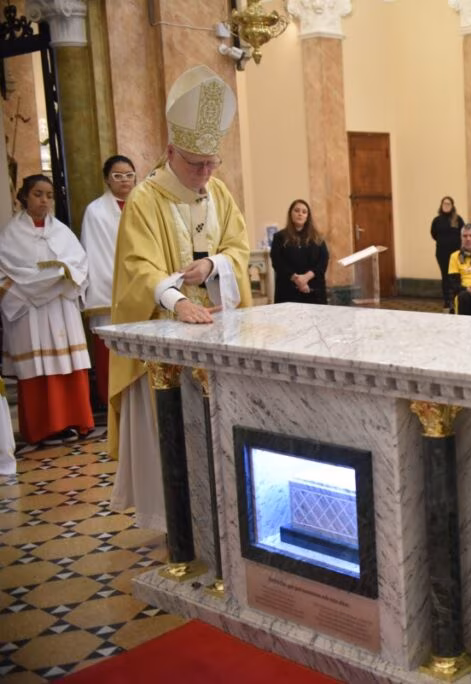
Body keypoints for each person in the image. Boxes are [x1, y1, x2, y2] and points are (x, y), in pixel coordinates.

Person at [109, 66, 253, 531]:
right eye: (196, 164)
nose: (206, 174)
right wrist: (176, 299)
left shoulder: (220, 193)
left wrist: (213, 267)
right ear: (171, 152)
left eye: (213, 163)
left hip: (216, 330)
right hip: (166, 340)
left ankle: (222, 520)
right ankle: (176, 524)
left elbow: (238, 246)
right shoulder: (146, 199)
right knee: (172, 432)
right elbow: (137, 267)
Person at [0, 174, 94, 446]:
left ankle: (75, 420)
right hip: (30, 311)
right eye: (38, 194)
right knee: (37, 369)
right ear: (24, 197)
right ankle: (42, 428)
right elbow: (8, 275)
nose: (44, 200)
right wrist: (44, 283)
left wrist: (54, 280)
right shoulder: (10, 235)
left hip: (60, 307)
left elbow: (80, 266)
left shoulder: (62, 231)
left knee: (69, 366)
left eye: (49, 195)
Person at [81, 154, 137, 406]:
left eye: (129, 175)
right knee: (110, 354)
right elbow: (95, 253)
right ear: (106, 179)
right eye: (117, 175)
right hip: (109, 292)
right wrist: (119, 285)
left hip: (141, 290)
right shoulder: (96, 211)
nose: (124, 180)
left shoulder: (143, 204)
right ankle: (113, 401)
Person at [271, 199, 328, 304]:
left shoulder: (317, 238)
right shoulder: (279, 237)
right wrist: (297, 279)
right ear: (290, 214)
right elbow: (277, 262)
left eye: (304, 212)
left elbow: (323, 262)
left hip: (314, 292)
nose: (300, 214)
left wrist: (306, 278)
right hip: (288, 291)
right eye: (296, 210)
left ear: (308, 216)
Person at [430, 196, 465, 310]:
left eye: (448, 203)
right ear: (441, 205)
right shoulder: (437, 220)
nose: (446, 205)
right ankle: (447, 301)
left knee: (456, 276)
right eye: (444, 203)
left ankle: (457, 299)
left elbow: (463, 234)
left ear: (452, 205)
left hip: (456, 253)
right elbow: (434, 234)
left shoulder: (458, 219)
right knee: (445, 276)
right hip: (442, 253)